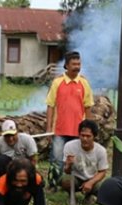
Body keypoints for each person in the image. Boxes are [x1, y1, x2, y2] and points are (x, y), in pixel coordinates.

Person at [46, 51, 94, 190]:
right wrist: (49, 129)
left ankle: (78, 186)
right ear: (66, 65)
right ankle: (53, 185)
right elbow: (50, 106)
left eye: (78, 64)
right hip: (59, 130)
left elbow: (88, 107)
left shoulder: (84, 83)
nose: (77, 67)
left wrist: (89, 130)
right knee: (56, 159)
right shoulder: (57, 82)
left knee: (78, 160)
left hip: (78, 131)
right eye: (73, 64)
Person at [61, 119, 107, 205]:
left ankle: (89, 196)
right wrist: (68, 165)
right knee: (66, 180)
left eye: (88, 136)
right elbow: (66, 171)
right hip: (76, 178)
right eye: (82, 135)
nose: (84, 139)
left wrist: (90, 182)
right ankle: (71, 196)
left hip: (91, 179)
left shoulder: (101, 151)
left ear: (94, 136)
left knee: (103, 189)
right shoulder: (69, 146)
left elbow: (103, 172)